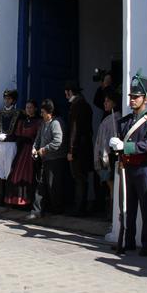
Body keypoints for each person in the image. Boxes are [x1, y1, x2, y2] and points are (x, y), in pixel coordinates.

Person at [109, 70, 147, 256]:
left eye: (136, 96)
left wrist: (125, 146)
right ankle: (128, 241)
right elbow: (120, 146)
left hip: (145, 169)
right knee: (127, 208)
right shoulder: (123, 122)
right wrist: (116, 146)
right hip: (126, 168)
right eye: (131, 96)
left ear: (145, 99)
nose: (132, 99)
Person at [29, 99, 68, 218]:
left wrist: (44, 149)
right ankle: (36, 211)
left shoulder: (56, 123)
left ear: (49, 112)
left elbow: (57, 141)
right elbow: (38, 138)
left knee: (53, 185)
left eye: (43, 112)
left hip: (55, 159)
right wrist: (34, 148)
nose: (41, 115)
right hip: (44, 159)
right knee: (40, 184)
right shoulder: (43, 124)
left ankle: (57, 210)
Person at [5, 99, 42, 207]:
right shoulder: (22, 121)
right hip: (21, 151)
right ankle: (15, 202)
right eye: (27, 108)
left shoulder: (39, 122)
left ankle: (27, 202)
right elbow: (17, 134)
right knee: (16, 174)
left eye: (31, 107)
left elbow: (38, 137)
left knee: (29, 175)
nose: (29, 109)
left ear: (35, 108)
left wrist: (30, 140)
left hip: (31, 152)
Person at [64, 80, 93, 216]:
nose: (65, 96)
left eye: (66, 93)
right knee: (82, 177)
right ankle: (81, 207)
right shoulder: (85, 105)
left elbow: (74, 129)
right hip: (85, 146)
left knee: (78, 177)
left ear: (70, 92)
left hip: (78, 148)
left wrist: (71, 150)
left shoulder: (76, 106)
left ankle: (79, 208)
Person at [0, 89, 21, 207]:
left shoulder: (19, 114)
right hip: (0, 145)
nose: (6, 100)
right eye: (5, 98)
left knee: (10, 171)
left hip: (11, 145)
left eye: (9, 98)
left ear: (13, 100)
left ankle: (9, 199)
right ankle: (0, 199)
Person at [93, 90, 121, 216]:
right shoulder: (107, 118)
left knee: (113, 187)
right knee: (110, 186)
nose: (105, 103)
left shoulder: (115, 118)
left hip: (110, 158)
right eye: (104, 101)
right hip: (105, 158)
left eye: (107, 101)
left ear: (114, 102)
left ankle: (114, 215)